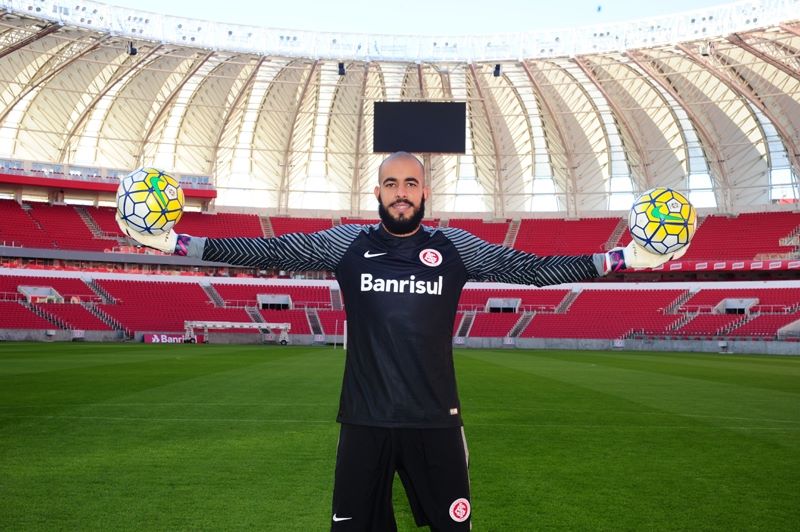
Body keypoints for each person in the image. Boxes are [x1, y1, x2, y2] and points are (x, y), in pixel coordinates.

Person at [117, 152, 686, 530]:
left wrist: (620, 259)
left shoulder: (455, 248)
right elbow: (269, 251)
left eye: (410, 183)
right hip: (363, 422)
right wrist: (178, 245)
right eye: (391, 183)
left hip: (436, 423)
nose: (401, 192)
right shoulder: (346, 244)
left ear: (424, 192)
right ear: (378, 191)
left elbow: (530, 269)